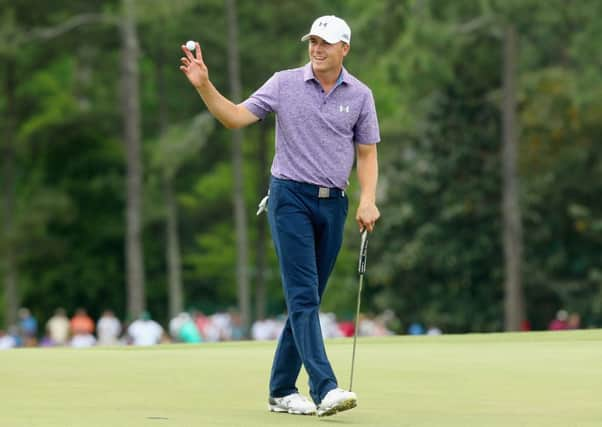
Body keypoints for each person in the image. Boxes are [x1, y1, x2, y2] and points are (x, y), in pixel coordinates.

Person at [180, 15, 380, 417]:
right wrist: (204, 86)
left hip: (335, 203)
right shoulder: (284, 83)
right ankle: (325, 388)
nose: (317, 48)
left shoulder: (360, 95)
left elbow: (367, 152)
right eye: (312, 41)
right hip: (289, 198)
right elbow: (234, 117)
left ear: (345, 49)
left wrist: (367, 199)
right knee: (304, 297)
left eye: (325, 42)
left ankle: (281, 390)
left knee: (305, 299)